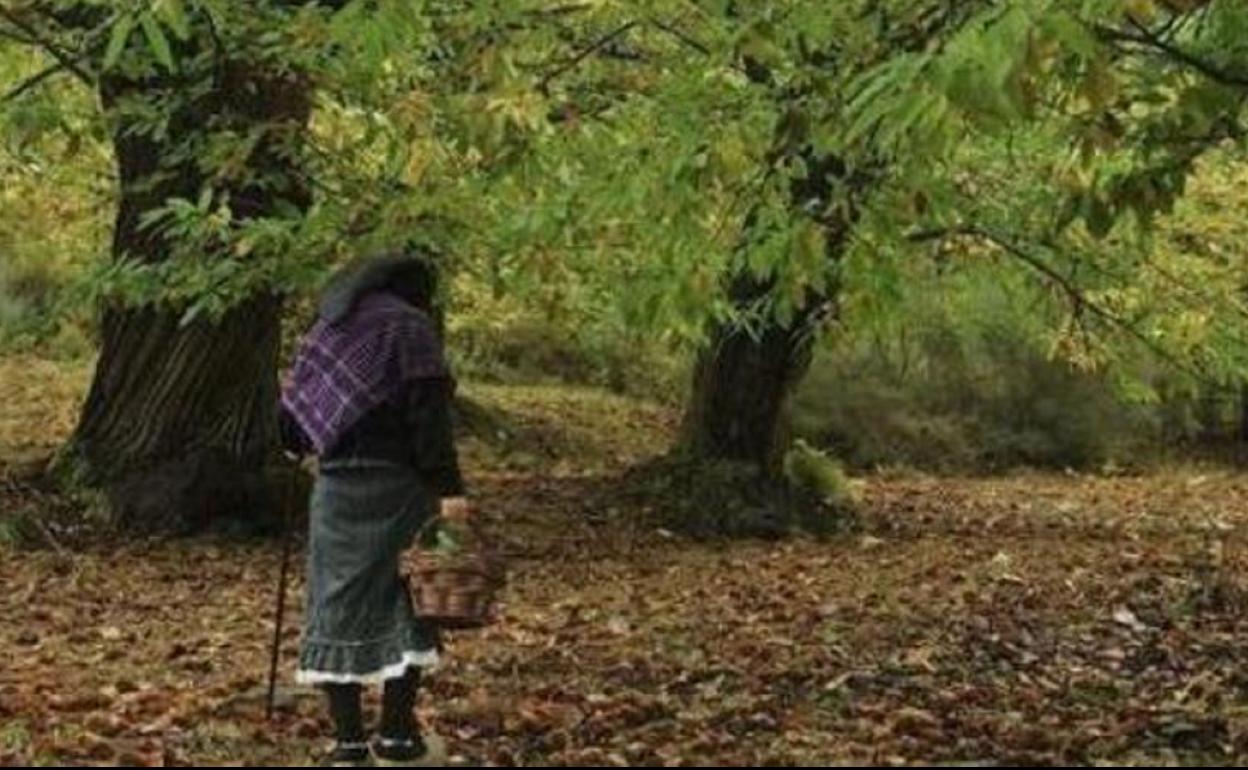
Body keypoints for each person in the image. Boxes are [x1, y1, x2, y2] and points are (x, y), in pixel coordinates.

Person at [280, 252, 468, 767]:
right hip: (400, 487)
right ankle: (398, 735)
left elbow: (292, 424)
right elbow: (429, 422)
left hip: (336, 490)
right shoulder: (412, 330)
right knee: (407, 600)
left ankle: (347, 743)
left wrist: (297, 444)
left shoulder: (327, 330)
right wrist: (450, 491)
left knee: (334, 604)